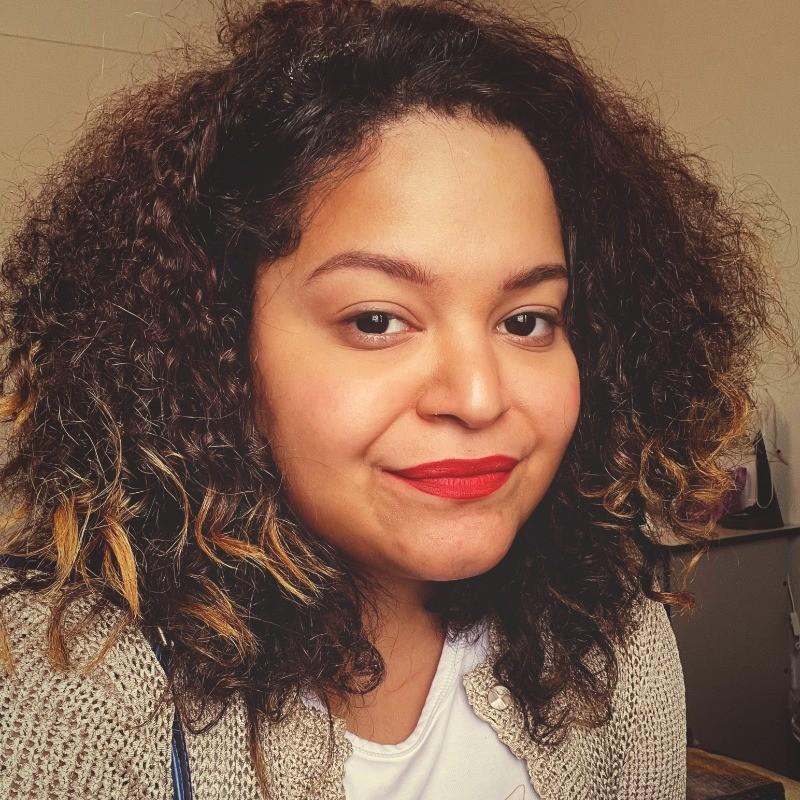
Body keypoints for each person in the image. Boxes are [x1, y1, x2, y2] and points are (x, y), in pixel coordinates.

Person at [0, 0, 792, 798]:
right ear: (213, 349)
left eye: (526, 321)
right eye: (377, 321)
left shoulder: (609, 636)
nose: (478, 397)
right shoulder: (70, 690)